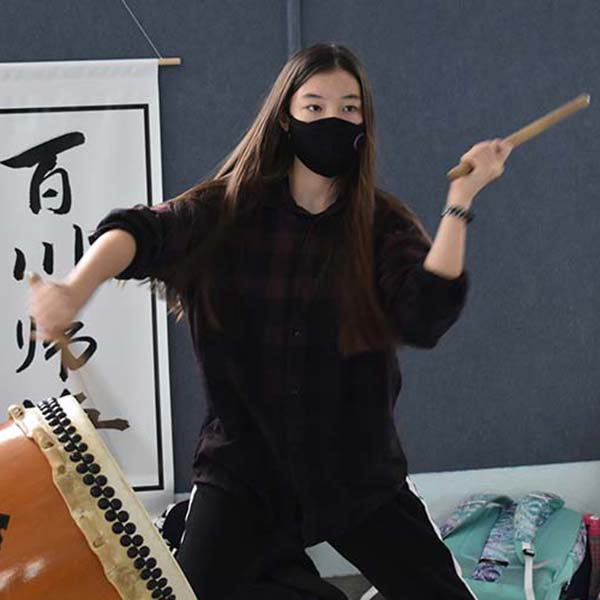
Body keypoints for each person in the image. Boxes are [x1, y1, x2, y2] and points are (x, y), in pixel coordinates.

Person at [28, 43, 512, 599]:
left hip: (355, 471)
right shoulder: (226, 210)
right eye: (314, 106)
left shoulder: (382, 225)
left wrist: (460, 201)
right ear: (285, 117)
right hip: (243, 472)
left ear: (364, 124)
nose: (333, 118)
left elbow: (425, 314)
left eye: (349, 108)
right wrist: (73, 288)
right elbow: (142, 231)